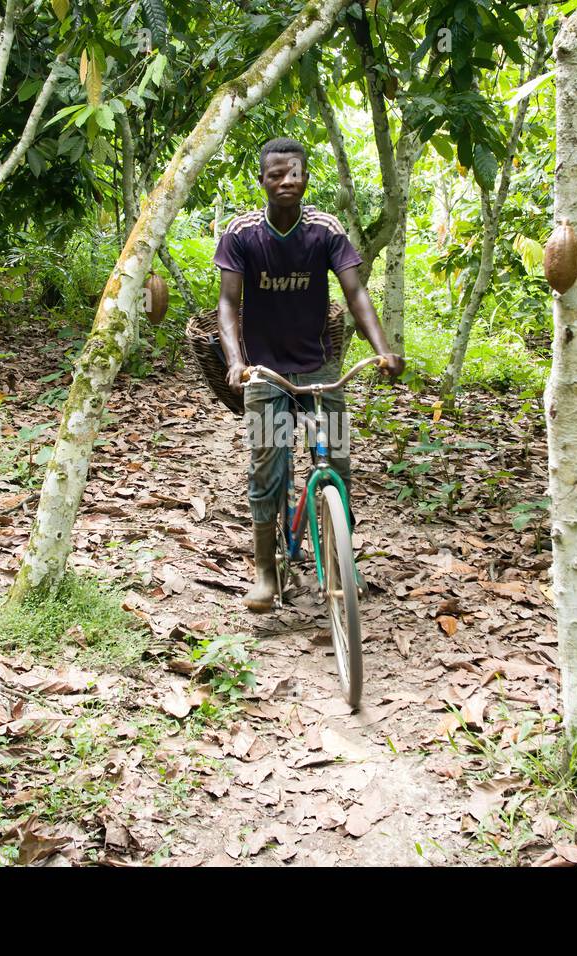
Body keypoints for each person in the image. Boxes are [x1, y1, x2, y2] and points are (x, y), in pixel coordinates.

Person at [213, 136, 404, 613]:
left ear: (305, 178)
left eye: (294, 173)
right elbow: (228, 303)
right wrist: (235, 360)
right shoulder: (242, 233)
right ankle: (265, 571)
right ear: (262, 180)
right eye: (276, 174)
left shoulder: (324, 230)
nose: (286, 181)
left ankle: (341, 558)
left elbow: (355, 293)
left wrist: (383, 350)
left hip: (319, 368)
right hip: (265, 372)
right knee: (268, 468)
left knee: (336, 463)